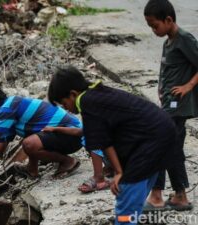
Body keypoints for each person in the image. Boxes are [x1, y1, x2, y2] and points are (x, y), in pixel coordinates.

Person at [48, 66, 178, 225]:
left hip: (151, 141)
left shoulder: (87, 102)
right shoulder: (97, 93)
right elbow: (97, 133)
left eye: (64, 103)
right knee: (133, 200)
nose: (65, 109)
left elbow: (103, 141)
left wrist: (118, 172)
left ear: (73, 94)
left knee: (125, 204)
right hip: (163, 132)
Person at [0, 83, 82, 178]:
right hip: (62, 138)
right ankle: (32, 170)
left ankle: (67, 161)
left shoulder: (8, 107)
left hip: (72, 136)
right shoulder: (9, 116)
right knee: (30, 140)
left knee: (29, 143)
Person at [144, 0, 197, 212]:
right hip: (168, 102)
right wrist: (160, 87)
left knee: (160, 141)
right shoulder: (169, 42)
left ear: (168, 20)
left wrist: (188, 86)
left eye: (155, 25)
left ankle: (156, 195)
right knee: (172, 147)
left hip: (178, 105)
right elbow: (165, 69)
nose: (153, 30)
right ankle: (180, 197)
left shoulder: (184, 39)